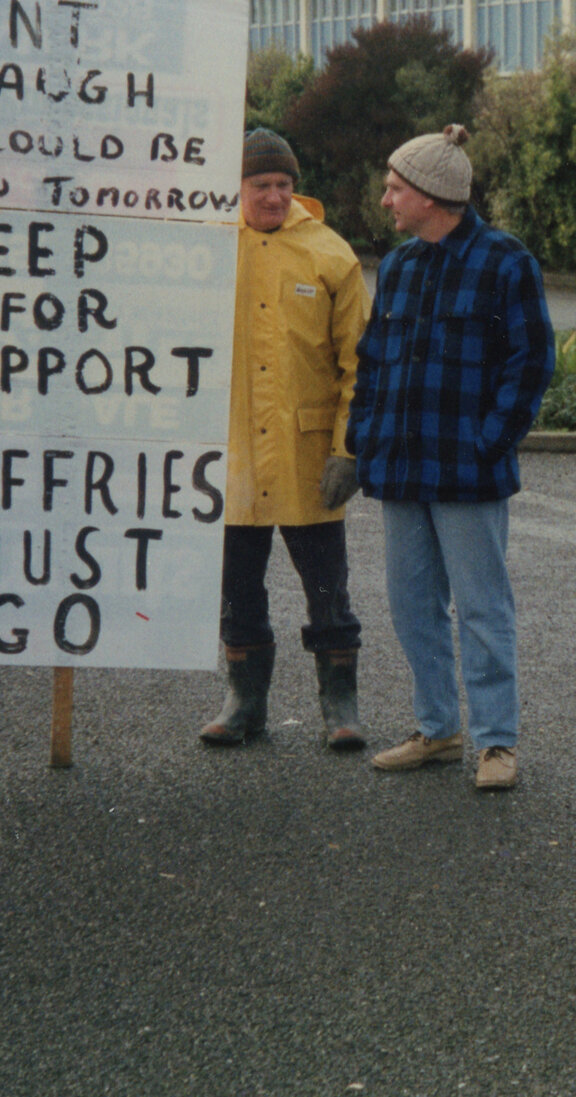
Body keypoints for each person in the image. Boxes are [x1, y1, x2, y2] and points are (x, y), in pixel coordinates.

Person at [349, 125, 554, 792]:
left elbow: (530, 362)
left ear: (433, 196)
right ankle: (436, 729)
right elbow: (373, 362)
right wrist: (361, 442)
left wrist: (488, 442)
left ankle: (497, 742)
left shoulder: (505, 261)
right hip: (402, 466)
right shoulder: (401, 265)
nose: (386, 201)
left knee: (481, 607)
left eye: (395, 188)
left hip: (467, 471)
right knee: (411, 603)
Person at [199, 128, 372, 750]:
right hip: (229, 457)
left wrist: (348, 451)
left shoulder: (331, 254)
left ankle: (340, 703)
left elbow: (361, 364)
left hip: (307, 458)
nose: (274, 196)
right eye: (260, 185)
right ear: (237, 188)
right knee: (236, 587)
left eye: (283, 184)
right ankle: (244, 701)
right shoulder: (208, 248)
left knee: (327, 587)